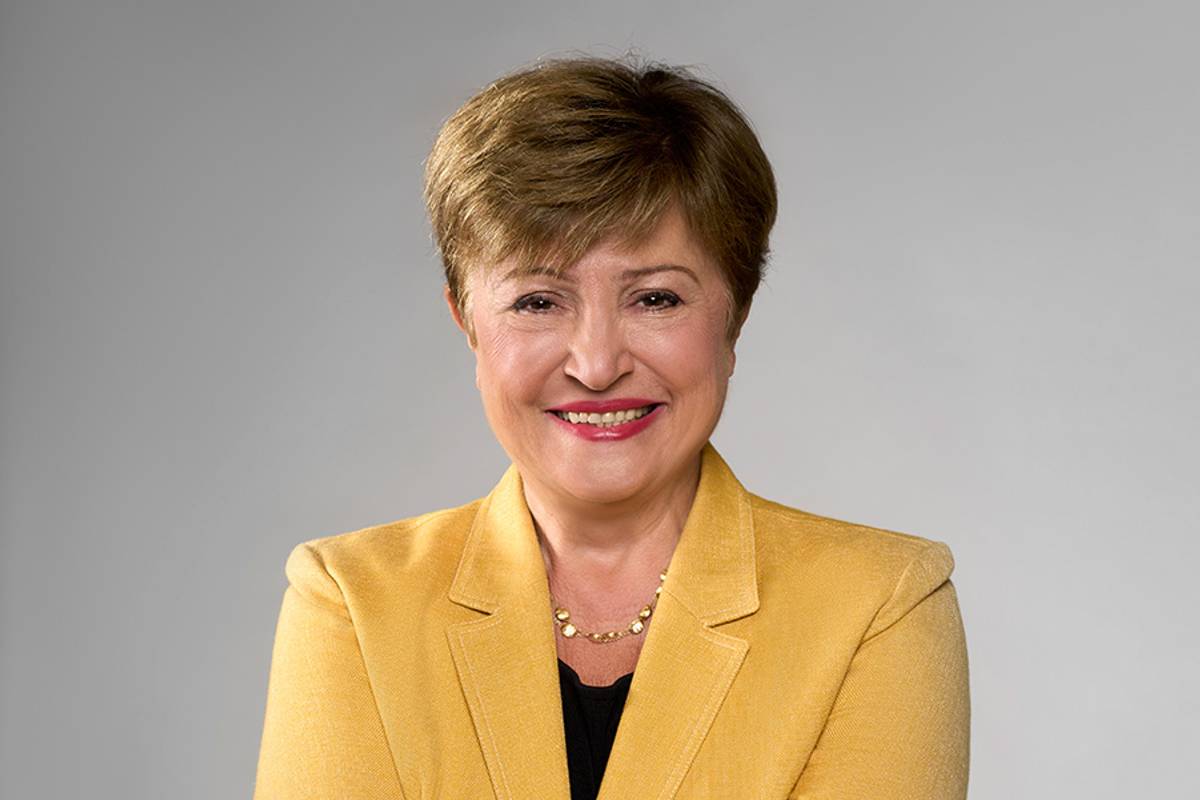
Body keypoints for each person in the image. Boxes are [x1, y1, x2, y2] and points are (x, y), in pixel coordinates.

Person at [253, 55, 970, 800]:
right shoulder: (355, 603)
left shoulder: (877, 603)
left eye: (656, 299)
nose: (597, 366)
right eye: (537, 302)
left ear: (734, 318)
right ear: (468, 324)